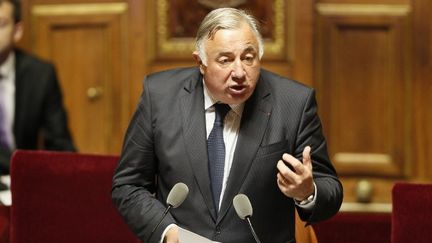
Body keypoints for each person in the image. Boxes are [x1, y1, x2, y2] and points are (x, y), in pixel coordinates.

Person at [112, 7, 343, 243]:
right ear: (200, 62)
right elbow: (129, 186)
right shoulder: (160, 96)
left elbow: (330, 191)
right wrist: (167, 232)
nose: (240, 72)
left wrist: (307, 193)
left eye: (248, 58)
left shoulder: (294, 103)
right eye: (226, 60)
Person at [0, 0, 76, 179]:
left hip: (21, 182)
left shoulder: (40, 74)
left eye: (0, 24)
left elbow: (60, 143)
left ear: (17, 30)